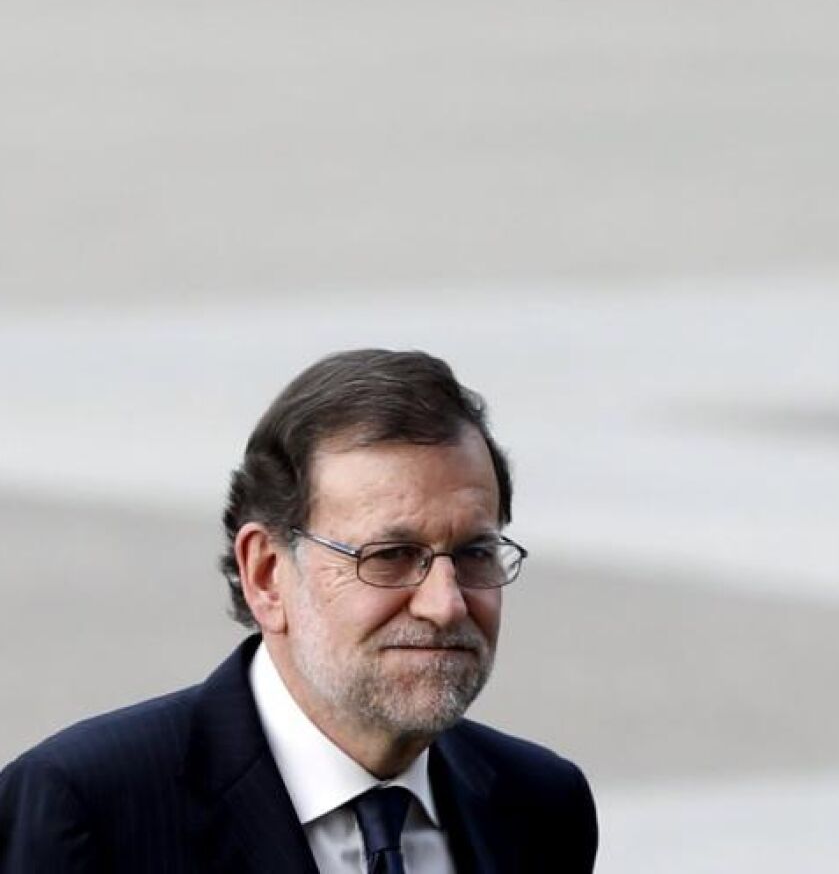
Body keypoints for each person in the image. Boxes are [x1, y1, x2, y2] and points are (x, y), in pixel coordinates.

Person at [0, 349, 598, 872]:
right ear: (266, 574)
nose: (445, 604)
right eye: (390, 556)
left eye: (473, 553)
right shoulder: (89, 810)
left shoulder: (540, 805)